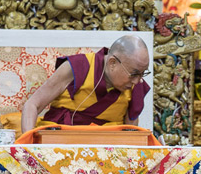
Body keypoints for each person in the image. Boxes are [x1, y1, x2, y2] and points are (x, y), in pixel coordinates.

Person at [20, 35, 151, 133]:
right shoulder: (79, 66)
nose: (137, 81)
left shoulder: (135, 86)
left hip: (107, 149)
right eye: (134, 74)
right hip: (59, 142)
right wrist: (28, 149)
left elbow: (130, 133)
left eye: (142, 73)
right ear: (112, 63)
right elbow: (32, 105)